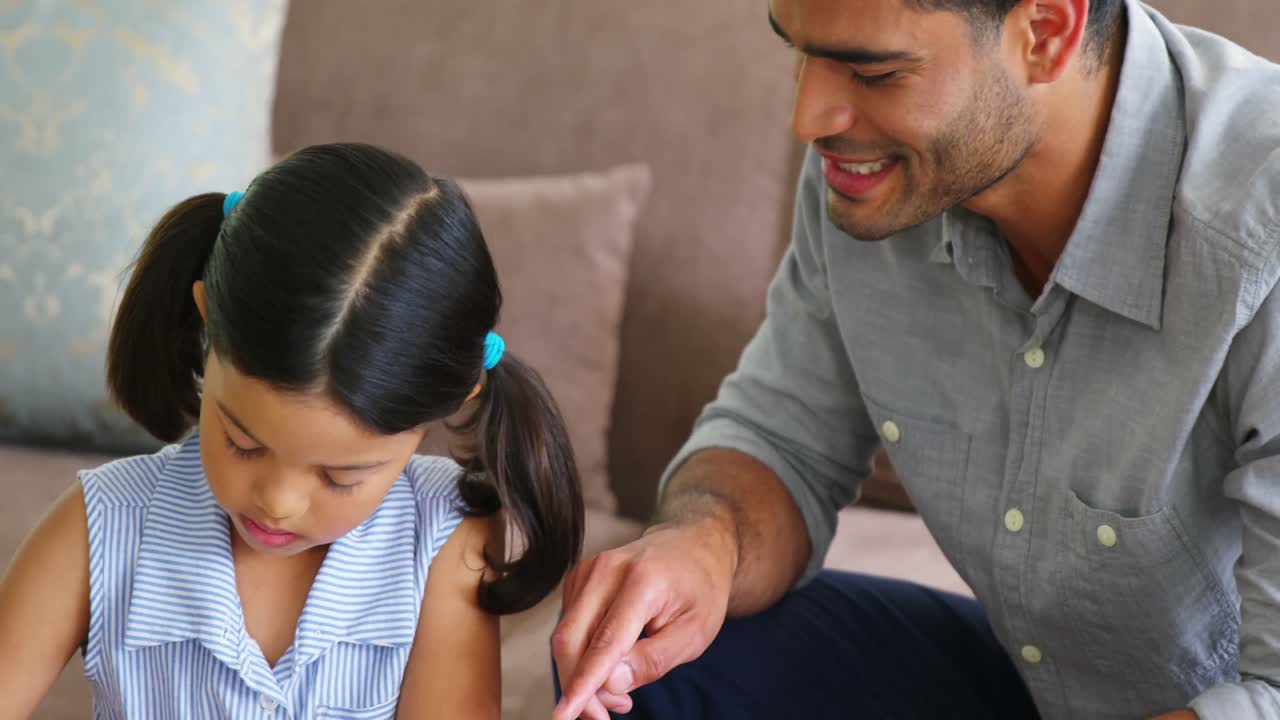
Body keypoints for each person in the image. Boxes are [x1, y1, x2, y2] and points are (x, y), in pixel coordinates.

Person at [551, 0, 1280, 718]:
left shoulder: (1260, 222)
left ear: (1047, 32)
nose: (809, 119)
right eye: (800, 51)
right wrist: (701, 547)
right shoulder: (877, 173)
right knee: (634, 656)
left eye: (874, 74)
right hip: (1030, 684)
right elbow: (782, 441)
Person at [0, 143, 584, 718]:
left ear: (443, 409)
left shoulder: (441, 542)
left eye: (340, 476)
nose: (276, 503)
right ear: (207, 322)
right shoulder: (100, 528)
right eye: (242, 443)